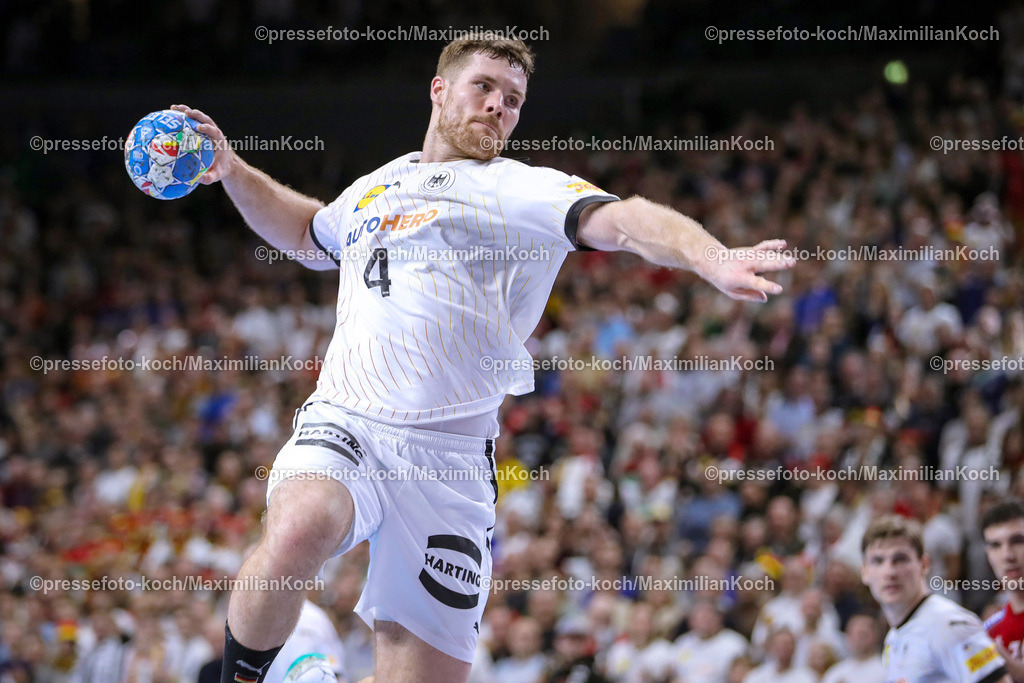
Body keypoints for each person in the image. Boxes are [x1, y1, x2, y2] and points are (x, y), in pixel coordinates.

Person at [173, 34, 794, 683]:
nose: (500, 105)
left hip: (450, 462)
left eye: (514, 99)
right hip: (349, 421)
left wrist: (709, 255)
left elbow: (627, 219)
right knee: (302, 525)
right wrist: (233, 170)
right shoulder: (376, 186)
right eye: (485, 87)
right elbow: (306, 232)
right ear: (439, 90)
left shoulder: (519, 189)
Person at [861, 514, 1010, 682]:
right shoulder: (895, 636)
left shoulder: (947, 624)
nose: (889, 572)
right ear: (864, 572)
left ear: (924, 565)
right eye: (878, 561)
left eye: (900, 559)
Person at [982, 498, 1024, 681]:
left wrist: (1003, 664)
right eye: (995, 545)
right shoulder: (987, 632)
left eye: (1018, 541)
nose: (1007, 555)